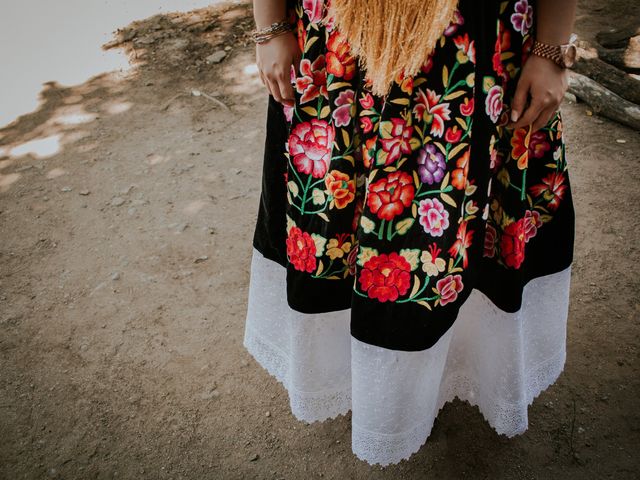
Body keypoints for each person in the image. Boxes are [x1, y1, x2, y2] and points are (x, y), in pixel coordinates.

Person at [244, 0, 577, 466]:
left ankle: (442, 380)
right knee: (340, 230)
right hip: (342, 49)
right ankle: (370, 387)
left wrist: (551, 50)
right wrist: (270, 28)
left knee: (458, 237)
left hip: (472, 47)